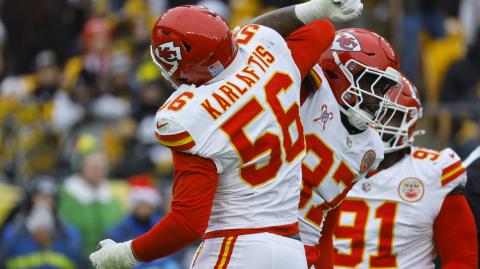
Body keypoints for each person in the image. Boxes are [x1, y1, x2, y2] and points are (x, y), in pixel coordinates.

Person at [89, 0, 364, 268]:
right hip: (291, 251)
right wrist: (313, 9)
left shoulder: (189, 115)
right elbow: (319, 28)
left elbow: (187, 223)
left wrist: (126, 254)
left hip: (236, 248)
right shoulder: (273, 58)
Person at [332, 75, 478, 269]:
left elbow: (462, 257)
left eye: (390, 114)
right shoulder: (327, 159)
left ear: (409, 120)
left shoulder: (433, 172)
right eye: (373, 111)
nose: (378, 123)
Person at [299, 28, 400, 268]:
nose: (379, 98)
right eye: (372, 83)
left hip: (305, 247)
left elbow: (325, 226)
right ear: (335, 71)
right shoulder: (305, 90)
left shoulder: (370, 147)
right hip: (257, 227)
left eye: (383, 88)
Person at [0, 176, 85, 269]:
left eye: (48, 198)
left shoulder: (70, 235)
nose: (43, 203)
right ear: (29, 202)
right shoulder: (13, 233)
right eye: (39, 197)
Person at [108, 175, 181, 269]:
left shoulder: (160, 225)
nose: (144, 208)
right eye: (141, 204)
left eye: (148, 205)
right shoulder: (120, 228)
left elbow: (170, 253)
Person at [59, 151, 124, 257]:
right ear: (82, 168)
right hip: (78, 256)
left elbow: (119, 225)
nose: (98, 172)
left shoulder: (111, 197)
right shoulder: (68, 195)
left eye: (102, 168)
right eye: (94, 168)